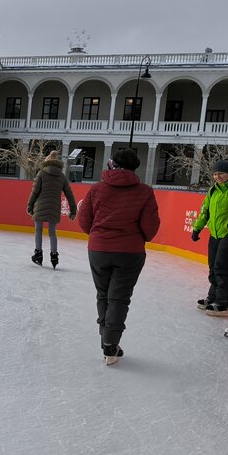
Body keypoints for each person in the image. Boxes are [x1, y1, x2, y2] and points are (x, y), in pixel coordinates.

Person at [77, 148, 160, 366]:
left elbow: (85, 223)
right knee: (119, 299)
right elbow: (150, 229)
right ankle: (110, 344)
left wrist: (101, 235)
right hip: (129, 253)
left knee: (103, 295)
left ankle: (107, 339)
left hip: (99, 250)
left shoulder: (95, 189)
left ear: (111, 164)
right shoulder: (145, 191)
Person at [190, 160, 228, 317]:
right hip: (215, 233)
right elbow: (205, 210)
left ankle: (224, 303)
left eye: (221, 173)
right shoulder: (213, 190)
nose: (217, 176)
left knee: (222, 266)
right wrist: (197, 228)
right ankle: (213, 297)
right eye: (215, 174)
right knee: (213, 266)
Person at [26, 150, 77, 268]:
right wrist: (73, 210)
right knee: (52, 232)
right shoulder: (61, 176)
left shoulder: (41, 173)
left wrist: (29, 205)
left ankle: (38, 254)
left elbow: (34, 192)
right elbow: (69, 194)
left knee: (38, 230)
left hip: (40, 206)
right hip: (54, 207)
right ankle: (54, 255)